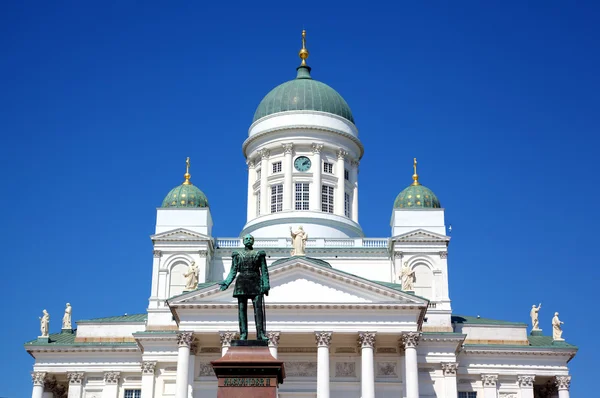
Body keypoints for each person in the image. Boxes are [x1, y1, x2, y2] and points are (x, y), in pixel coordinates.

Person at [219, 234, 270, 341]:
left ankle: (260, 334)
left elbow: (264, 271)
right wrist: (226, 283)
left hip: (256, 281)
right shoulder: (237, 254)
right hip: (242, 282)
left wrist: (266, 284)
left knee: (258, 309)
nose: (248, 240)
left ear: (253, 241)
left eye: (250, 239)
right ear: (243, 241)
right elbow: (233, 270)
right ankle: (243, 334)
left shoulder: (259, 254)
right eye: (246, 238)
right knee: (242, 310)